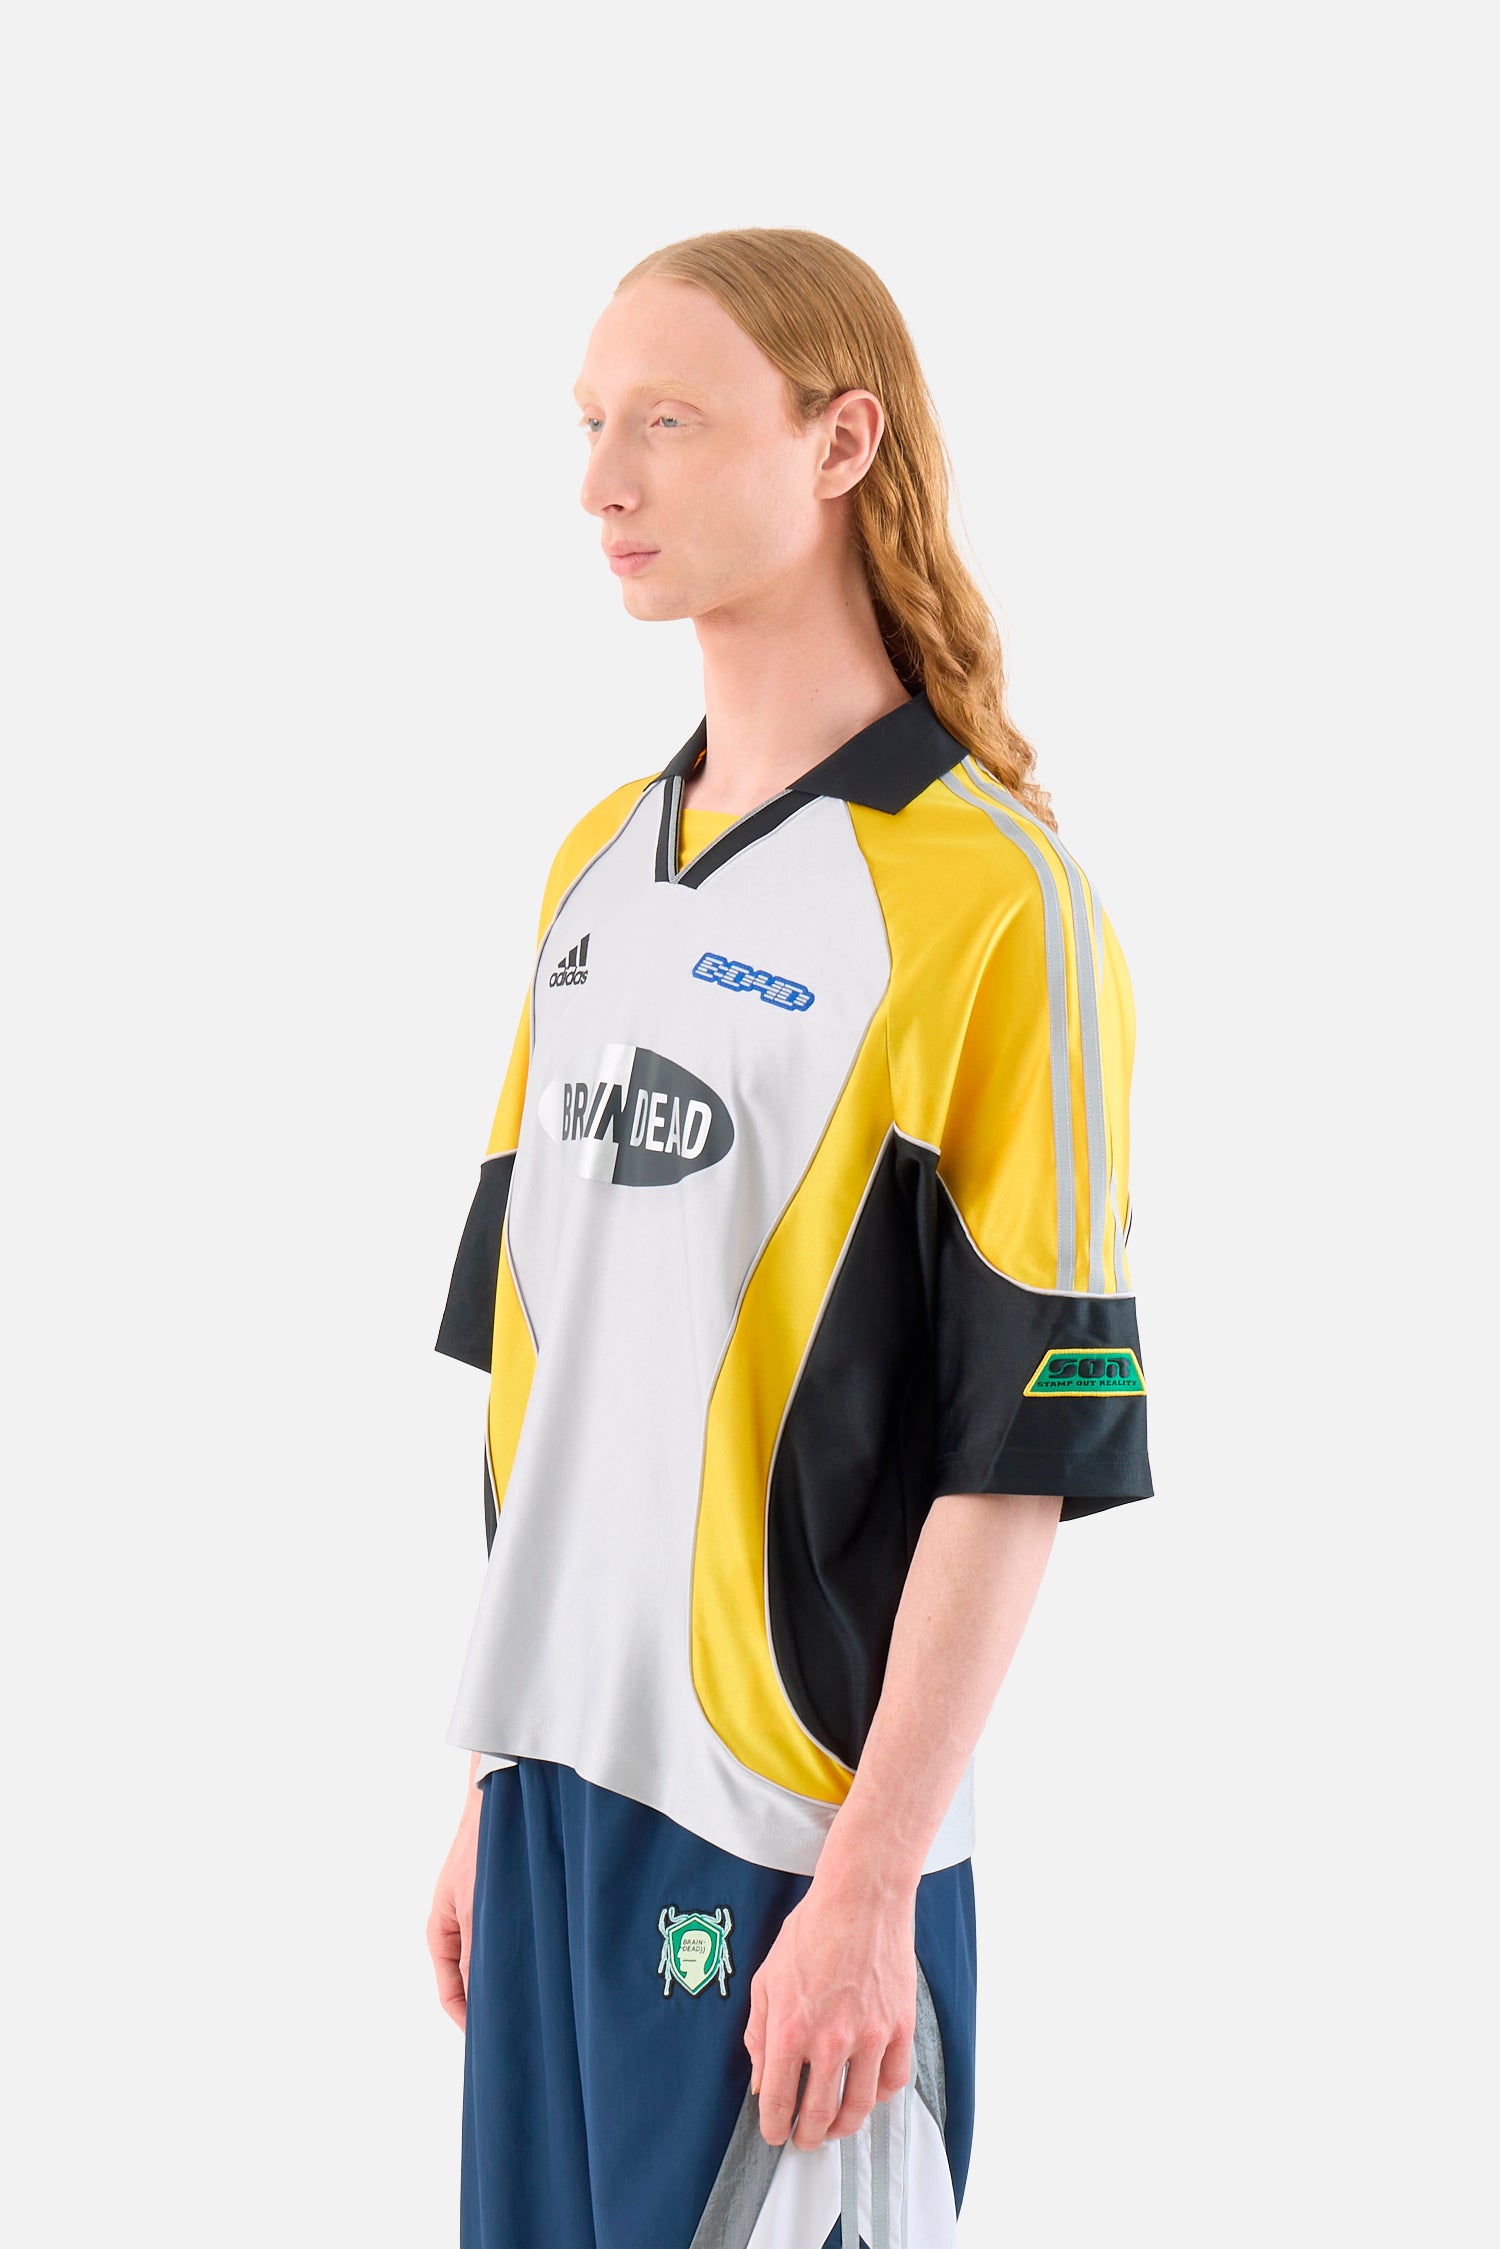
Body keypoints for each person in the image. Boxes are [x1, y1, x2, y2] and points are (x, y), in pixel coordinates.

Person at [426, 227, 1152, 2249]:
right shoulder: (593, 872)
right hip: (555, 1813)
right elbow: (554, 1386)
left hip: (784, 1852)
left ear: (842, 445)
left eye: (665, 421)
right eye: (590, 423)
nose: (602, 481)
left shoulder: (996, 905)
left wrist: (871, 1881)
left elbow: (1020, 1456)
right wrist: (493, 1771)